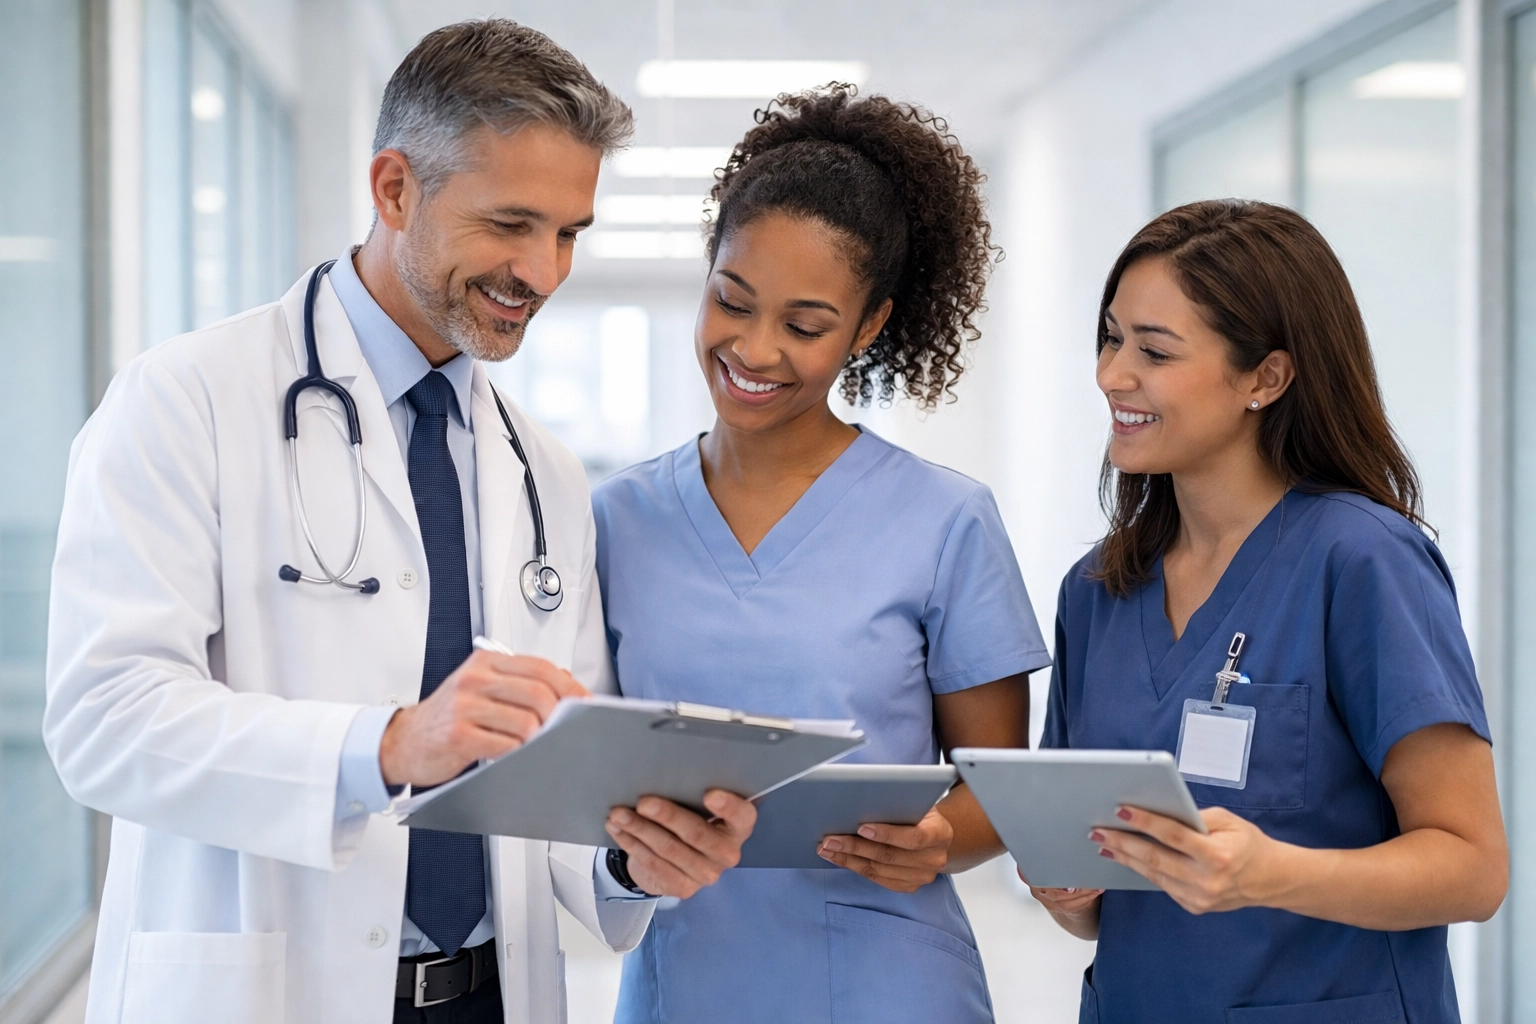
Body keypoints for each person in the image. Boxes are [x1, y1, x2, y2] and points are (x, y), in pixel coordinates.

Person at [43, 20, 752, 1024]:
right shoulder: (187, 399)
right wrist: (383, 747)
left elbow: (553, 773)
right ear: (393, 189)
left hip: (488, 995)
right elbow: (101, 719)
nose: (543, 272)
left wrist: (630, 857)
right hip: (271, 992)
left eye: (567, 233)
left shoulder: (540, 468)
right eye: (511, 224)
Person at [592, 85, 1051, 1024]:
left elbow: (1000, 787)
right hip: (683, 978)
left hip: (891, 982)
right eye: (732, 301)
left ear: (869, 327)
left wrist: (938, 838)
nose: (755, 350)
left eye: (804, 326)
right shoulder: (611, 518)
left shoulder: (945, 519)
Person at [1031, 200, 1508, 1022]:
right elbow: (1093, 898)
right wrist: (1070, 893)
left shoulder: (1361, 561)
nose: (1113, 374)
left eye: (1154, 350)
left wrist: (1268, 873)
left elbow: (1472, 869)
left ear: (1267, 377)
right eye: (1111, 337)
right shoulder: (1098, 589)